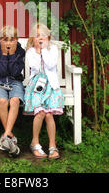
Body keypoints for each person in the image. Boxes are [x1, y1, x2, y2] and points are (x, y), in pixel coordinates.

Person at [24, 23, 64, 159]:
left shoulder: (52, 49)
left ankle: (52, 145)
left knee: (49, 114)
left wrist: (44, 50)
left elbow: (51, 64)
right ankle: (35, 142)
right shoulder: (30, 51)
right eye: (37, 36)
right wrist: (37, 51)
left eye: (43, 35)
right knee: (40, 112)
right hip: (36, 87)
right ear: (32, 39)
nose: (40, 38)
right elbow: (34, 66)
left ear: (48, 37)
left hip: (51, 86)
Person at [0, 25, 25, 157]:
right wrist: (5, 55)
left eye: (12, 39)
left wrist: (13, 55)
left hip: (15, 81)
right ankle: (10, 135)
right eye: (5, 39)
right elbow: (0, 71)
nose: (9, 43)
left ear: (16, 40)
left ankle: (5, 136)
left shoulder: (21, 52)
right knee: (3, 101)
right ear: (0, 40)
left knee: (15, 100)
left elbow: (16, 72)